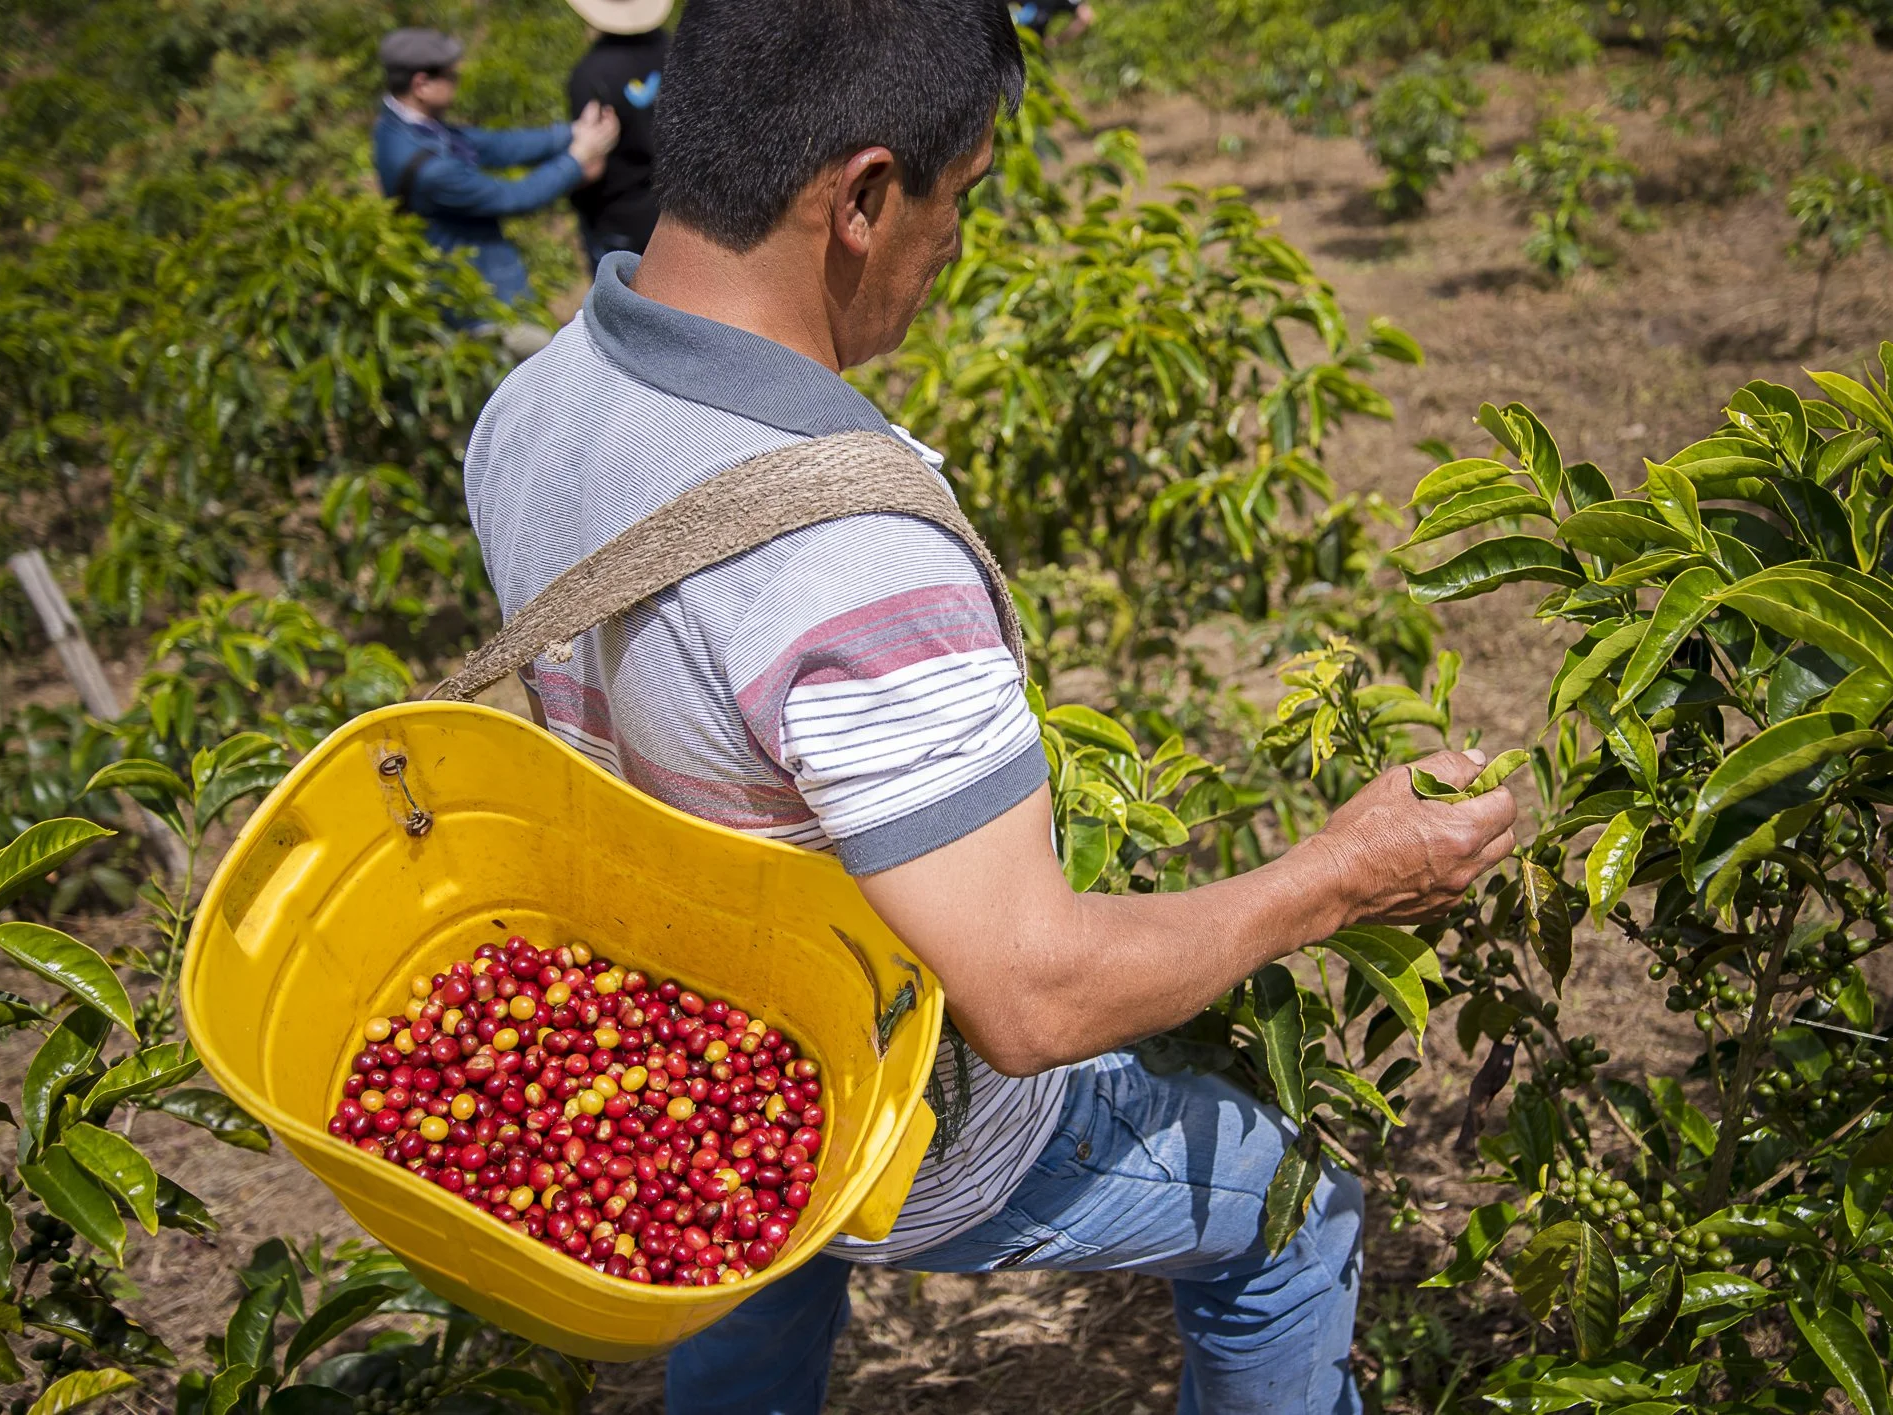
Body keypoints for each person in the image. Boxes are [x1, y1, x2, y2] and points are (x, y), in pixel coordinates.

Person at [461, 1, 1517, 1410]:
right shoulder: (849, 560)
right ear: (864, 196)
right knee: (1294, 1212)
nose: (955, 241)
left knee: (766, 1245)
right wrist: (1337, 874)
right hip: (899, 1118)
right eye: (955, 199)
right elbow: (1030, 994)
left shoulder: (533, 403)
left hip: (694, 1033)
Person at [372, 27, 621, 311]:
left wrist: (572, 133)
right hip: (477, 292)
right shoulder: (432, 170)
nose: (457, 83)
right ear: (422, 85)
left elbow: (494, 145)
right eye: (452, 77)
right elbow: (512, 197)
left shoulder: (401, 125)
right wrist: (577, 159)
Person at [563, 0, 673, 272]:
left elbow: (591, 163)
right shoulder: (676, 48)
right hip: (677, 206)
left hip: (620, 218)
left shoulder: (591, 74)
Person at [1014, 0, 1097, 45]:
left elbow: (1085, 17)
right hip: (1026, 39)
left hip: (1025, 36)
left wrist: (1057, 41)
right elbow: (1085, 17)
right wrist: (1057, 41)